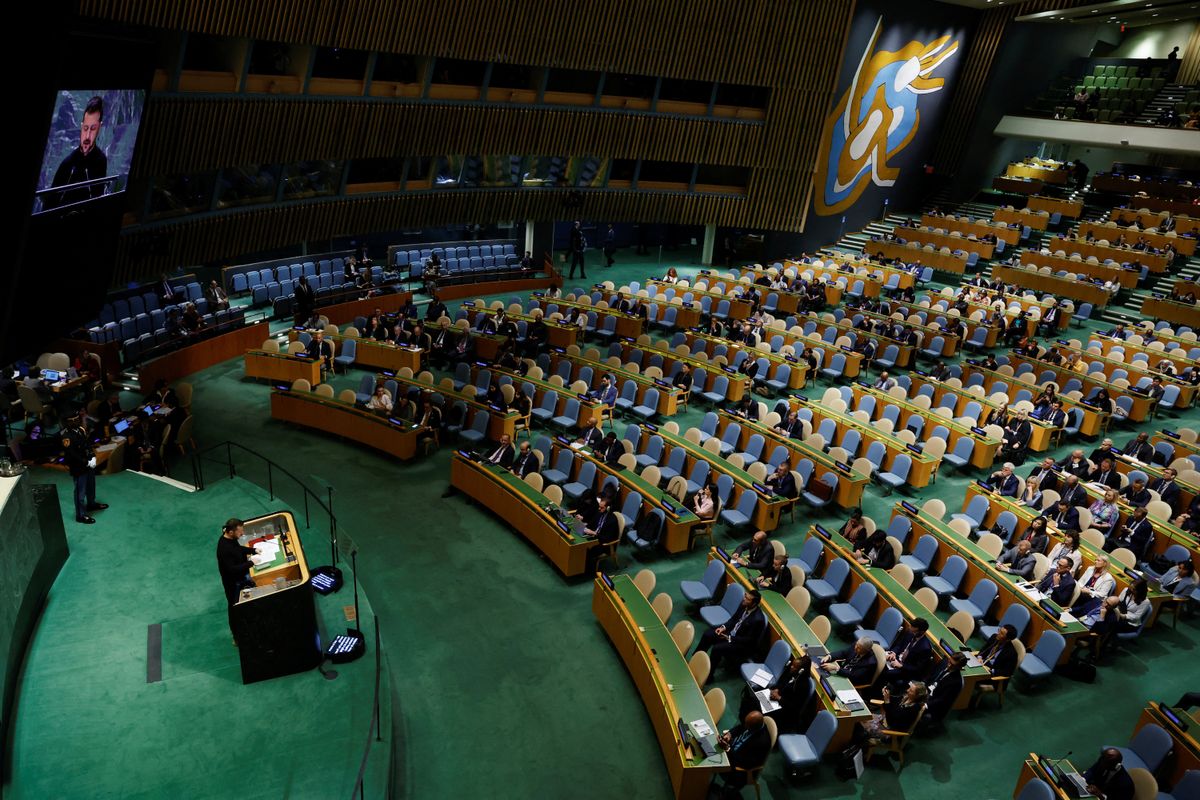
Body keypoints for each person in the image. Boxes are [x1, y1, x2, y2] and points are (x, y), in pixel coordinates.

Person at [47, 95, 107, 209]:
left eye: (93, 128)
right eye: (85, 128)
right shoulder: (67, 164)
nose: (87, 136)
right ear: (81, 126)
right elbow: (49, 205)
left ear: (100, 127)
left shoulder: (101, 161)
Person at [695, 590, 767, 673]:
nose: (744, 599)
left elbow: (749, 640)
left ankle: (708, 675)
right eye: (745, 596)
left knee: (717, 649)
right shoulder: (744, 605)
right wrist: (723, 627)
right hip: (730, 634)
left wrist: (730, 638)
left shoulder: (758, 620)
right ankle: (696, 658)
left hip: (740, 644)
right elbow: (733, 619)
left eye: (747, 599)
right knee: (707, 634)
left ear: (754, 603)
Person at [739, 653, 813, 733]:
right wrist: (776, 689)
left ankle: (749, 728)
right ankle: (744, 724)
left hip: (784, 710)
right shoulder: (792, 673)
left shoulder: (803, 686)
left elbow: (794, 708)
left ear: (801, 671)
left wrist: (779, 698)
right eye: (792, 665)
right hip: (775, 700)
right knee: (750, 699)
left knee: (756, 705)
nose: (791, 667)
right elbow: (782, 682)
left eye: (795, 667)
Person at [61, 411, 106, 524]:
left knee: (91, 485)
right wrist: (86, 461)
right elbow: (72, 454)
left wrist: (92, 456)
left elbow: (87, 445)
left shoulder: (81, 430)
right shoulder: (66, 436)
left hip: (88, 463)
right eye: (74, 420)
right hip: (78, 467)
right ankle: (80, 515)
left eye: (77, 419)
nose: (77, 421)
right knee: (80, 492)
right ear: (68, 423)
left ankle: (91, 504)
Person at [216, 518, 257, 642]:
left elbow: (238, 550)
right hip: (232, 583)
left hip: (240, 578)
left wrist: (253, 550)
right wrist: (251, 563)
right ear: (231, 532)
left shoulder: (231, 539)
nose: (243, 534)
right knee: (234, 608)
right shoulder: (224, 548)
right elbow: (232, 569)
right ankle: (237, 637)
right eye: (240, 532)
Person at [714, 710, 772, 796]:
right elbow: (739, 728)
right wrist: (729, 734)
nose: (745, 726)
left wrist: (727, 748)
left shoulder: (762, 743)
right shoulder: (751, 724)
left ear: (754, 727)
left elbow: (745, 762)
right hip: (732, 750)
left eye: (747, 726)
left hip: (740, 769)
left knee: (711, 760)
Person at [882, 618, 932, 686]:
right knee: (880, 659)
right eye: (911, 628)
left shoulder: (925, 648)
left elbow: (917, 669)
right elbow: (899, 645)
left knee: (886, 673)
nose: (911, 632)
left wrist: (901, 666)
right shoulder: (910, 632)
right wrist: (894, 653)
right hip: (897, 658)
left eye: (914, 632)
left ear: (922, 632)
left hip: (905, 669)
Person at [924, 652, 966, 724]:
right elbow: (931, 674)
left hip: (934, 704)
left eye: (952, 664)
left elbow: (942, 700)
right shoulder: (944, 662)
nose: (949, 665)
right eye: (949, 661)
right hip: (928, 692)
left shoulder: (956, 682)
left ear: (959, 667)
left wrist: (926, 705)